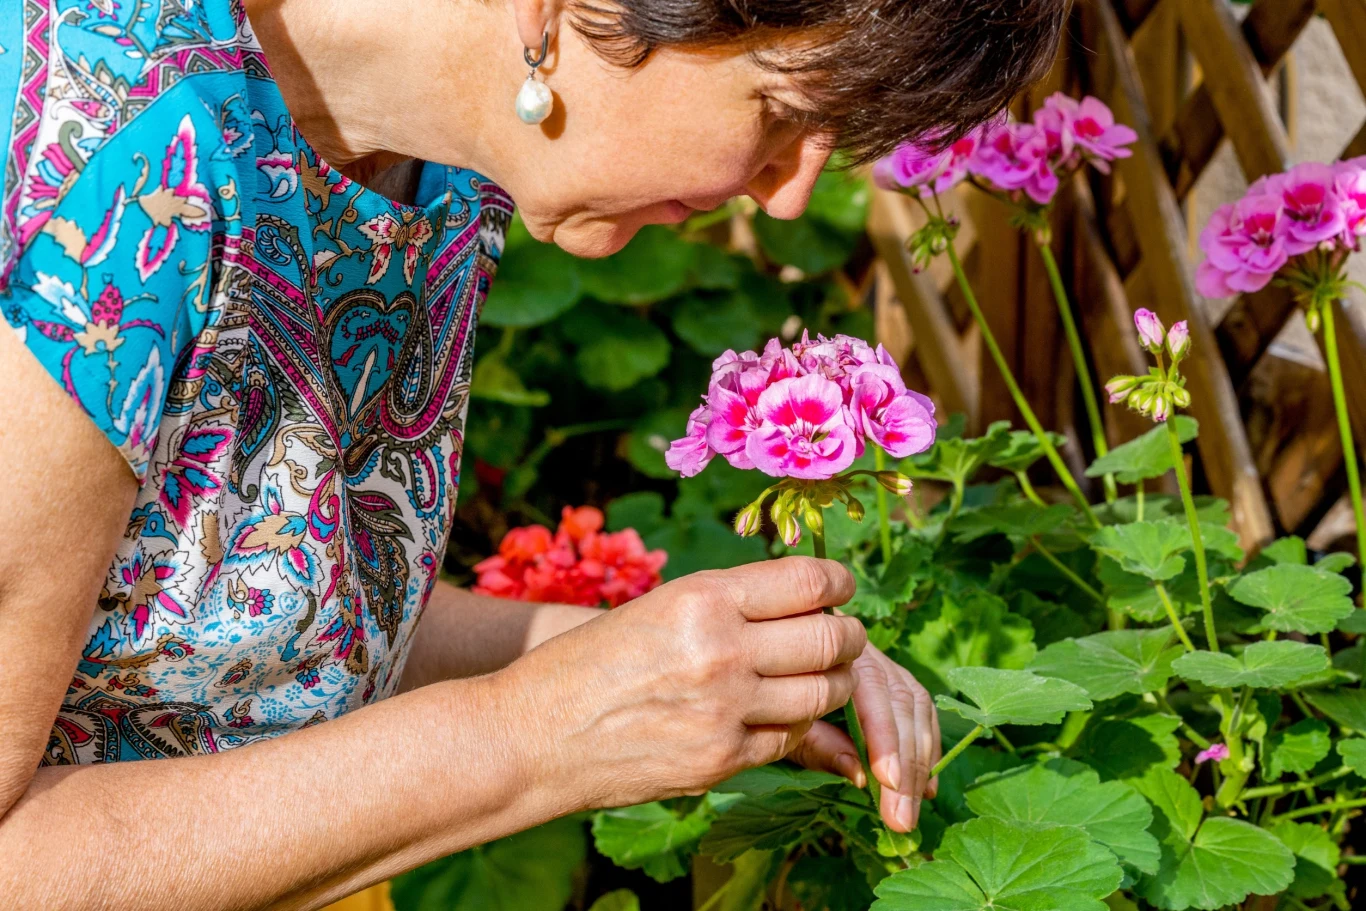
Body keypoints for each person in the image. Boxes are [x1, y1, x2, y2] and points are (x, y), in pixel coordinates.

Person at [0, 0, 1064, 906]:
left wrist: (714, 667)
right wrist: (536, 736)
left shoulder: (440, 169)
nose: (787, 193)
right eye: (781, 113)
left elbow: (266, 625)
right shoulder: (103, 151)